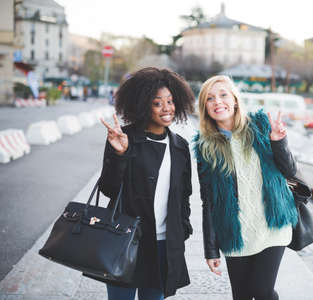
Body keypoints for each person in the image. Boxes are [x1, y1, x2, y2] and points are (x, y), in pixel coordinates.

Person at [193, 75, 299, 300]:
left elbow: (290, 172)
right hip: (236, 232)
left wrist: (279, 142)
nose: (217, 101)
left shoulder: (260, 126)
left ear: (235, 100)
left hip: (271, 225)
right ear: (205, 107)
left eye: (223, 95)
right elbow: (208, 201)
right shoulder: (205, 148)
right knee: (241, 296)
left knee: (261, 292)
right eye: (210, 98)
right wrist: (210, 249)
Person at [97, 67, 195, 300]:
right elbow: (108, 188)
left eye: (170, 101)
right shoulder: (124, 137)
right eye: (157, 103)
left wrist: (182, 228)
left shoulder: (179, 146)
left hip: (163, 244)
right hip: (126, 240)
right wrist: (120, 155)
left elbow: (184, 194)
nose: (167, 108)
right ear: (142, 105)